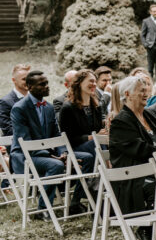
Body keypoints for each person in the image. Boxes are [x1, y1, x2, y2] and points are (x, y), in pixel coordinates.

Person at [10, 71, 95, 211]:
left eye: (47, 83)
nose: (47, 86)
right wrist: (53, 156)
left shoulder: (48, 107)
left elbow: (57, 135)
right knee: (55, 165)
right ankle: (43, 209)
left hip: (51, 154)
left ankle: (75, 202)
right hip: (26, 156)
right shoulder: (19, 109)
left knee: (88, 158)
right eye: (42, 84)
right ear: (29, 87)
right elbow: (25, 141)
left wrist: (64, 153)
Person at [108, 74, 156, 212]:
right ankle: (146, 229)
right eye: (141, 90)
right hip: (137, 176)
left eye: (147, 89)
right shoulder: (121, 121)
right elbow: (139, 149)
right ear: (127, 94)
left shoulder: (150, 115)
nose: (146, 93)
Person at [57, 70, 105, 156]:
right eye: (91, 81)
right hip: (76, 147)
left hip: (96, 144)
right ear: (79, 83)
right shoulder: (68, 108)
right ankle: (108, 168)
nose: (94, 84)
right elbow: (68, 138)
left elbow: (99, 130)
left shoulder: (97, 106)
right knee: (96, 143)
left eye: (95, 81)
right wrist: (92, 137)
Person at [1, 63, 31, 135]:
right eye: (24, 79)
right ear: (14, 80)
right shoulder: (5, 102)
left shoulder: (37, 99)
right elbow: (8, 130)